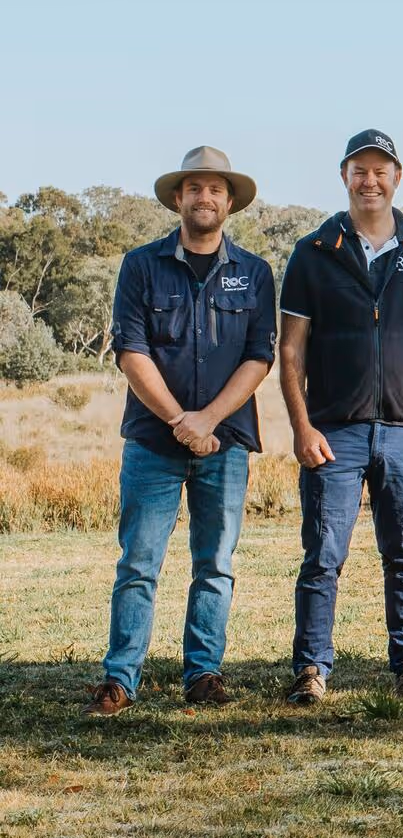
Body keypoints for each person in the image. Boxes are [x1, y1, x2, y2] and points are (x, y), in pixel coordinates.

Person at [85, 147, 276, 716]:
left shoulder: (255, 273)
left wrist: (209, 420)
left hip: (226, 444)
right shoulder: (140, 266)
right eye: (194, 188)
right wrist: (179, 421)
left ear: (229, 201)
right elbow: (132, 352)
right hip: (152, 442)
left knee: (215, 563)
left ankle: (204, 673)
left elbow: (259, 357)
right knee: (138, 564)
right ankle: (121, 678)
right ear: (178, 198)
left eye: (215, 189)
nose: (205, 197)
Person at [278, 130, 403, 704]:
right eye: (360, 170)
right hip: (333, 431)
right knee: (324, 555)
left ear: (397, 178)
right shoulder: (314, 252)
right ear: (344, 176)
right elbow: (290, 351)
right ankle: (311, 671)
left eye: (381, 170)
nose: (371, 180)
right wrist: (302, 426)